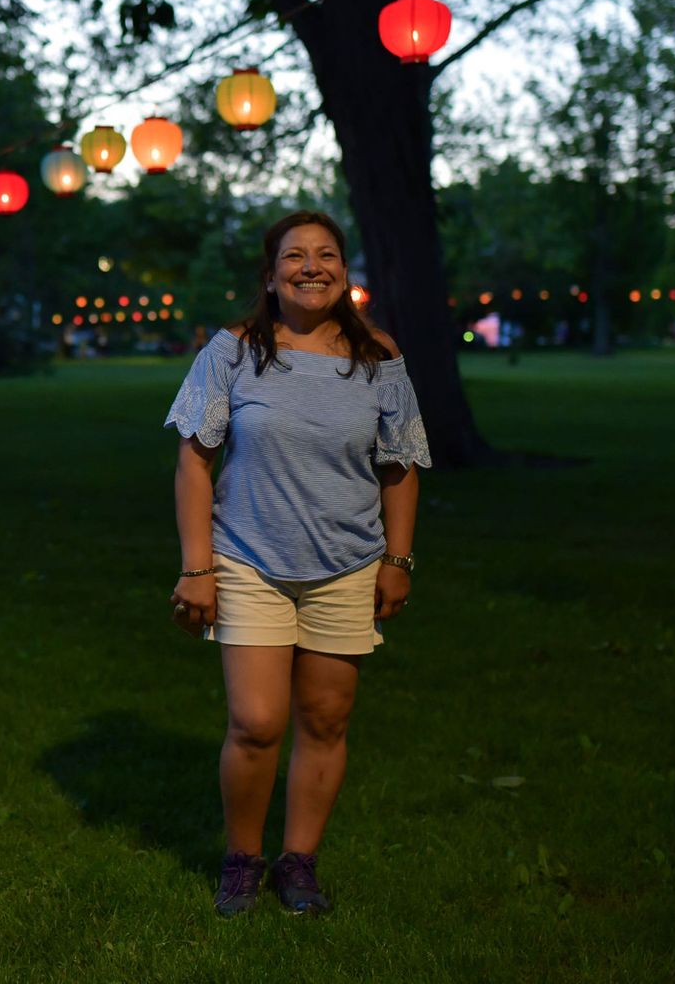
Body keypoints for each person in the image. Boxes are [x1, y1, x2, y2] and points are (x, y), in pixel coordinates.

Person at [165, 210, 428, 918]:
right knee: (255, 721)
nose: (311, 266)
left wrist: (398, 560)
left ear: (345, 270)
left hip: (348, 563)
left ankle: (299, 863)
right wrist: (198, 569)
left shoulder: (378, 356)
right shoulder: (233, 350)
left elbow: (401, 467)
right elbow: (195, 460)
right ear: (270, 273)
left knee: (326, 719)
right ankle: (243, 860)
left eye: (327, 254)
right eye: (295, 256)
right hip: (249, 558)